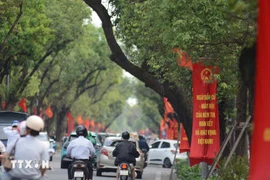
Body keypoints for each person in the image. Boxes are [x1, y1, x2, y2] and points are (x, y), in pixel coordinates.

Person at [1, 115, 49, 180]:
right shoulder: (43, 145)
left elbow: (5, 156)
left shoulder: (16, 140)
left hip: (15, 176)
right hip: (34, 177)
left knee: (3, 175)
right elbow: (45, 166)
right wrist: (41, 174)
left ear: (27, 129)